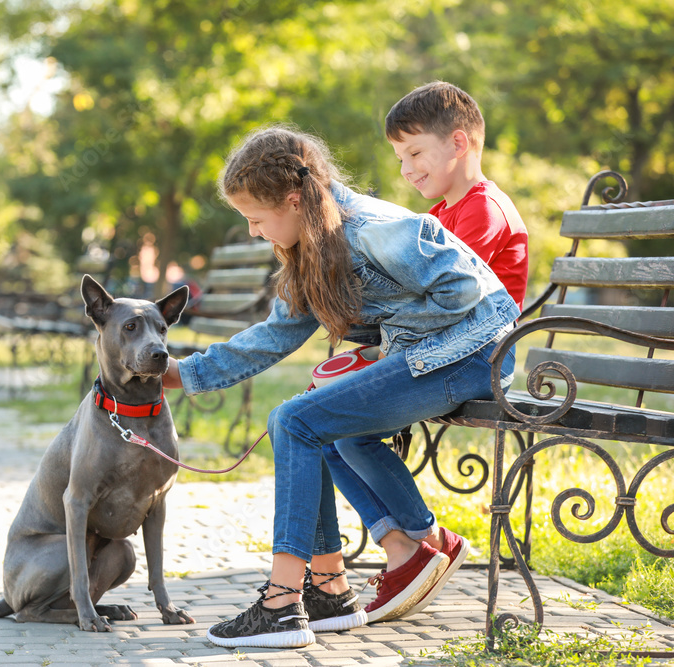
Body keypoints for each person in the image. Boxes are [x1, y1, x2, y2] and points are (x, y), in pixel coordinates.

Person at [162, 125, 519, 649]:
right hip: (437, 355)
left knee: (294, 419)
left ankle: (282, 602)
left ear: (291, 199)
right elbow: (275, 334)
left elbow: (462, 287)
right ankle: (329, 591)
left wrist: (386, 348)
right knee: (310, 420)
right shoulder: (312, 245)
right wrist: (184, 373)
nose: (256, 232)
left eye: (257, 220)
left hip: (473, 353)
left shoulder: (370, 228)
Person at [385, 81, 528, 310]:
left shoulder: (484, 208)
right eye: (401, 159)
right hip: (446, 332)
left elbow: (448, 287)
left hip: (481, 341)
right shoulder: (436, 215)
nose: (405, 170)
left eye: (415, 153)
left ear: (457, 144)